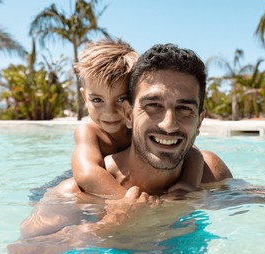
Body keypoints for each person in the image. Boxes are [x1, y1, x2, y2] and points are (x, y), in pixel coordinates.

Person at [7, 43, 234, 254]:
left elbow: (197, 157)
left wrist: (187, 192)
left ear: (200, 121)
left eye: (184, 108)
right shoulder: (74, 194)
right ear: (130, 114)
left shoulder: (208, 171)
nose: (168, 124)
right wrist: (108, 226)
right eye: (153, 105)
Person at [71, 37, 205, 200]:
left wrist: (188, 187)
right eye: (97, 100)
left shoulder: (142, 127)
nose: (109, 112)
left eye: (120, 99)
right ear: (85, 97)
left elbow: (195, 155)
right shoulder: (89, 132)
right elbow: (87, 174)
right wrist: (126, 202)